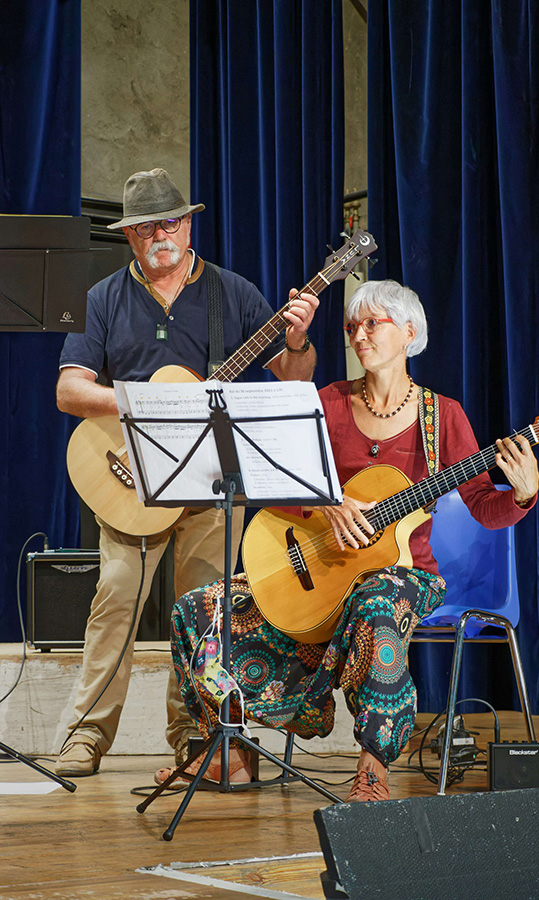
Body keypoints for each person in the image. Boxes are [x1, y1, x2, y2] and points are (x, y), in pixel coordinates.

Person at [160, 278, 539, 801]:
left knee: (376, 600)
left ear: (410, 332)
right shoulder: (327, 403)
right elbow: (272, 486)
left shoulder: (442, 416)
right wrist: (325, 504)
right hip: (319, 569)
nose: (358, 335)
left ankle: (373, 764)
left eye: (372, 323)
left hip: (407, 575)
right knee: (197, 607)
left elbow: (484, 507)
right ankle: (229, 748)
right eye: (352, 327)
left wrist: (522, 495)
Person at [54, 167, 319, 777]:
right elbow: (70, 390)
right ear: (129, 237)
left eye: (169, 221)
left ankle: (194, 738)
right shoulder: (104, 298)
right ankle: (85, 737)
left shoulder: (234, 292)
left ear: (190, 222)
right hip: (132, 484)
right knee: (115, 599)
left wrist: (299, 339)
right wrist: (148, 403)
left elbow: (295, 379)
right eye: (145, 228)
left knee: (203, 613)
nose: (159, 235)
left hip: (211, 488)